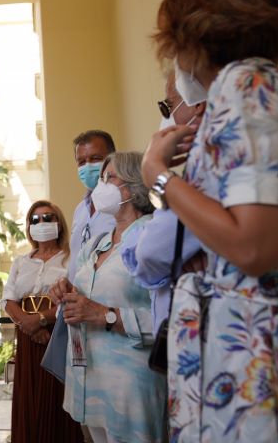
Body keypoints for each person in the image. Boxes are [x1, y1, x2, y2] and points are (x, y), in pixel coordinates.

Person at [142, 0, 278, 440]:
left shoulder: (248, 88)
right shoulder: (273, 88)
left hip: (263, 366)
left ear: (190, 31)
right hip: (263, 355)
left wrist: (159, 176)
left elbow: (253, 247)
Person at [50, 152, 166, 443]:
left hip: (130, 389)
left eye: (109, 177)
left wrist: (105, 315)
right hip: (89, 382)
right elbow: (86, 294)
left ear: (134, 186)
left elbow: (171, 321)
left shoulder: (153, 238)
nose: (100, 186)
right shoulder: (98, 244)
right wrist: (66, 291)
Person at [120, 72, 205, 332]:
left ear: (197, 103)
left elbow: (147, 254)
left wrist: (156, 170)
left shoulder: (208, 167)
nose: (166, 117)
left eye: (168, 105)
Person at [2, 200, 84, 443]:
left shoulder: (71, 259)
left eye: (48, 218)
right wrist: (29, 326)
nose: (41, 223)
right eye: (35, 219)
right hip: (28, 336)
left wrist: (39, 320)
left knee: (56, 398)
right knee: (29, 396)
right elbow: (8, 300)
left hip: (58, 333)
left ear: (59, 223)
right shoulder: (21, 261)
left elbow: (74, 296)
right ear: (29, 226)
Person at [69, 130, 117, 280]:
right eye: (81, 162)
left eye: (95, 158)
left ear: (112, 159)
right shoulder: (80, 210)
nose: (88, 166)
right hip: (75, 292)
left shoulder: (124, 204)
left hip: (108, 293)